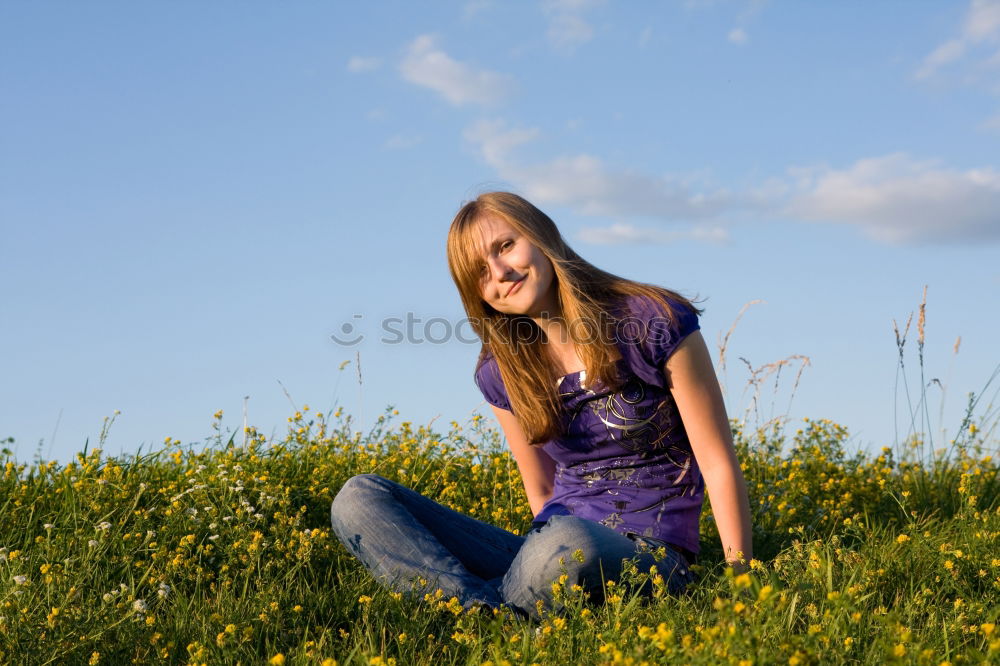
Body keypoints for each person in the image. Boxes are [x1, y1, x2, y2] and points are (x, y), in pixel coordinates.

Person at [330, 192, 753, 620]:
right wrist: (545, 569)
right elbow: (543, 491)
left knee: (568, 540)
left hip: (651, 557)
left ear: (542, 236)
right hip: (551, 547)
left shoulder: (651, 320)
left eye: (505, 246)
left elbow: (716, 462)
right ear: (477, 294)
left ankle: (489, 615)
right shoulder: (500, 369)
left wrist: (742, 583)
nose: (500, 272)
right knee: (358, 497)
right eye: (479, 272)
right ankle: (486, 616)